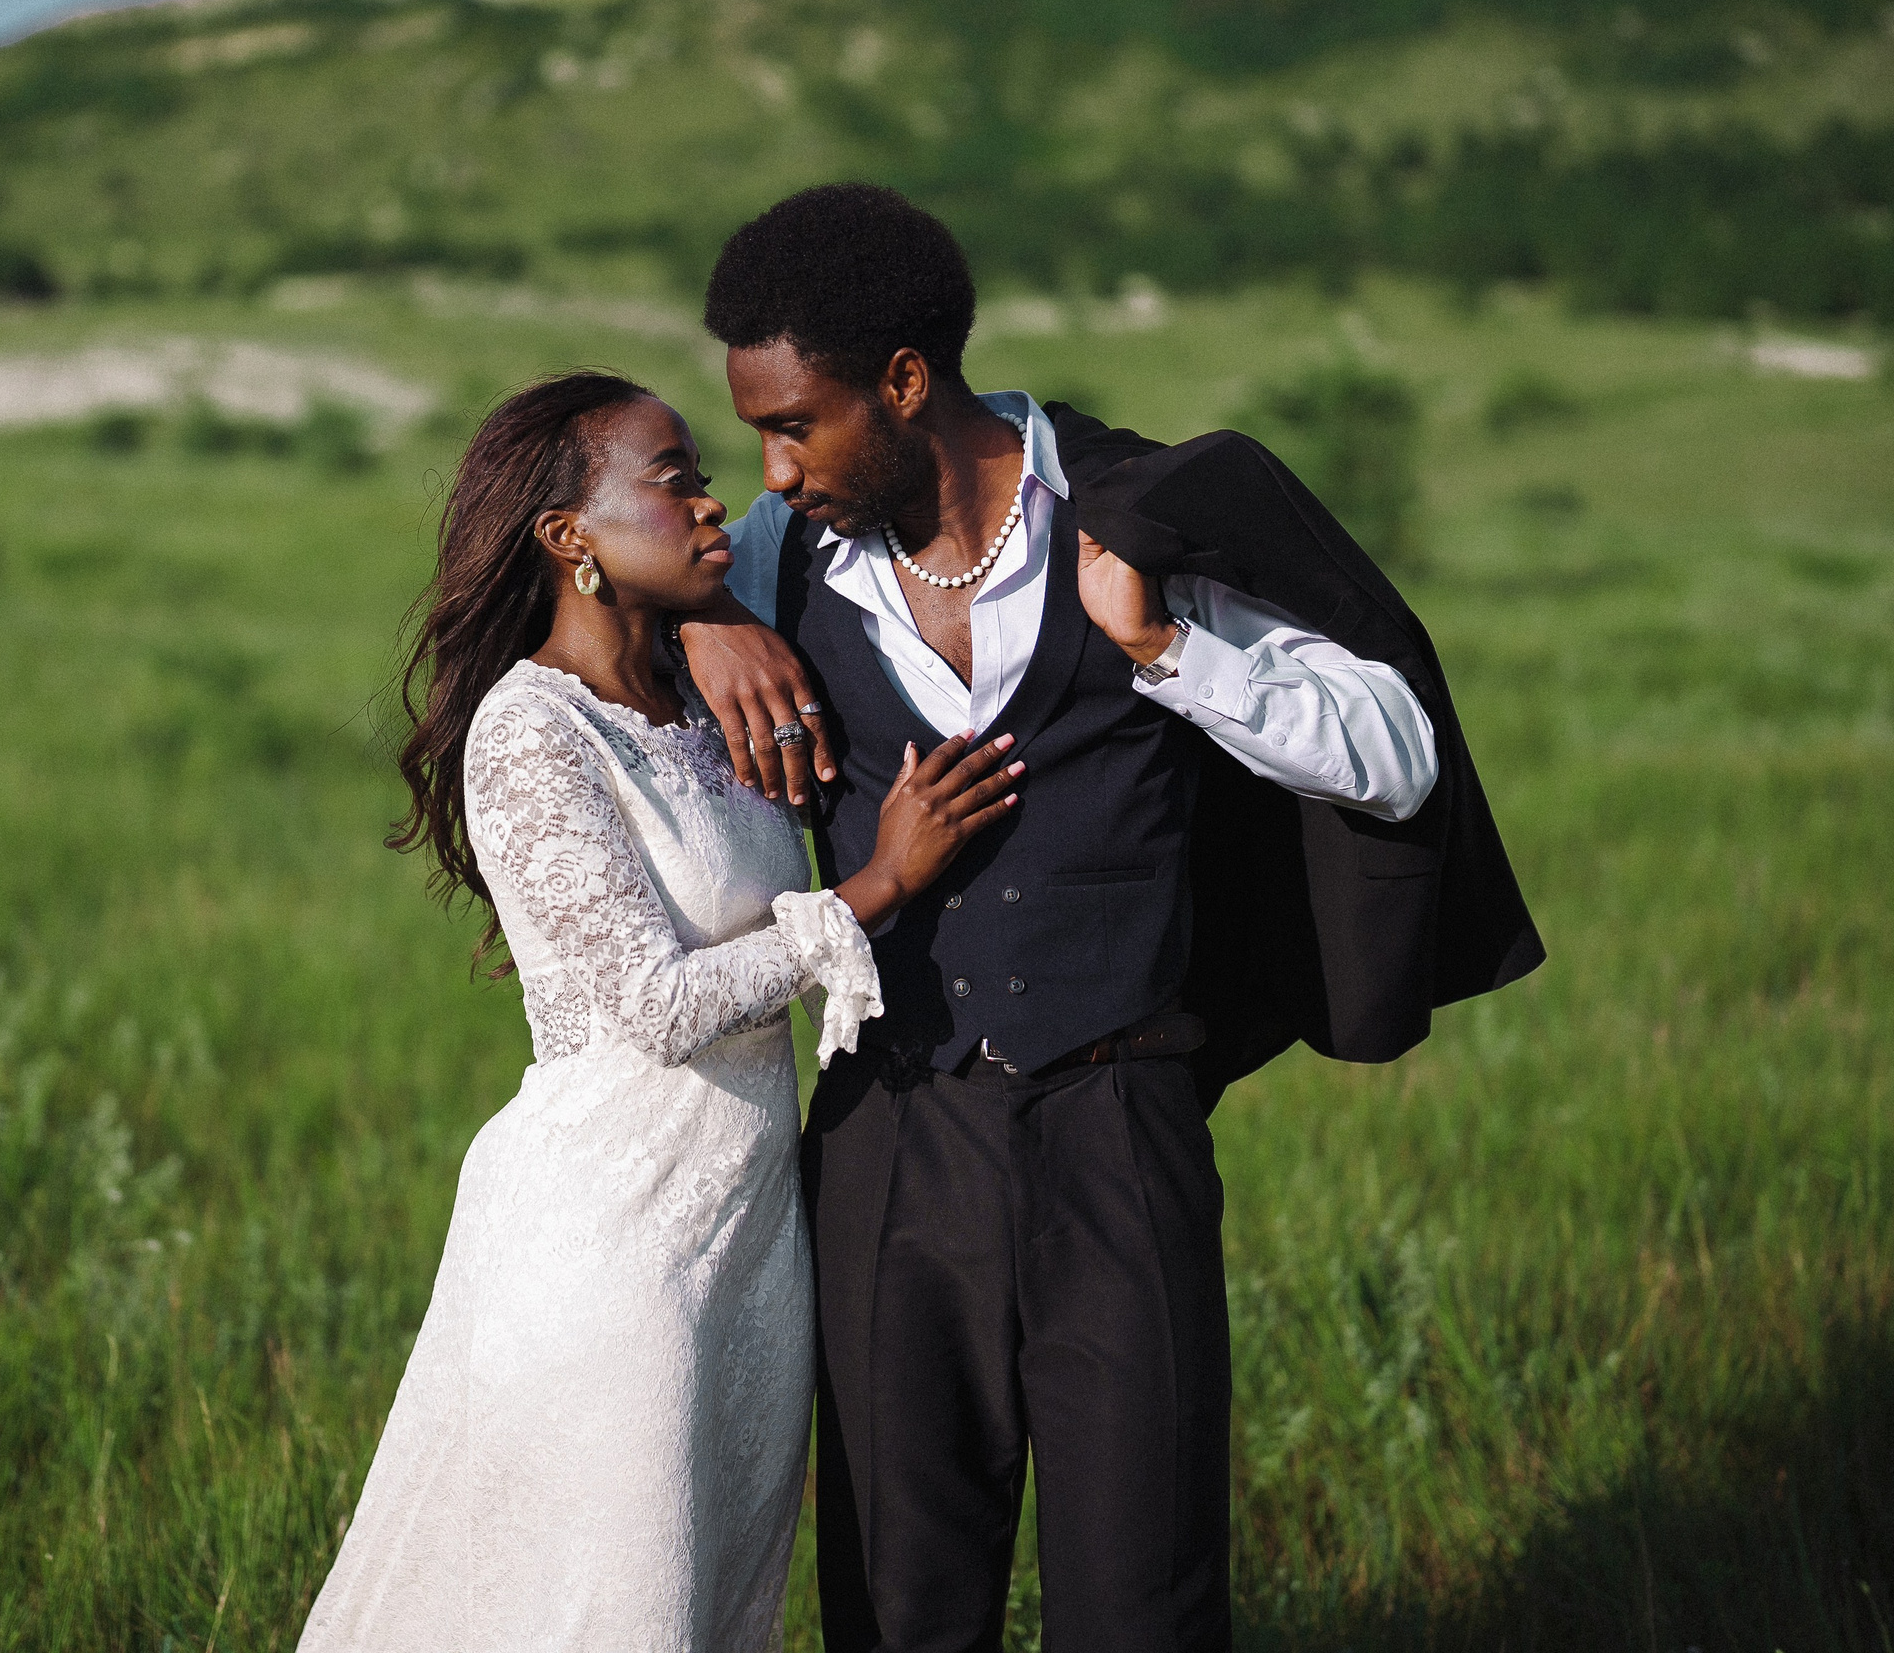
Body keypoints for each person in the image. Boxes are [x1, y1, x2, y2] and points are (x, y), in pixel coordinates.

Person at [672, 185, 1541, 1652]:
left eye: (795, 425)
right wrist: (701, 620)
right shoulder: (772, 557)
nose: (770, 467)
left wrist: (1166, 648)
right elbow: (568, 618)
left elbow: (1396, 752)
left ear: (903, 383)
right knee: (898, 1606)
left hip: (1120, 1125)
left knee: (1145, 1602)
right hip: (890, 1136)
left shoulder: (1144, 511)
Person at [298, 370, 1025, 1653]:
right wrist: (875, 885)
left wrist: (714, 618)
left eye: (705, 476)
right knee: (606, 1611)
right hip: (606, 1240)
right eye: (675, 481)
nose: (715, 504)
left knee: (712, 1604)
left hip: (747, 1242)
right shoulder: (529, 734)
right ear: (568, 538)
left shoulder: (704, 701)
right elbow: (653, 1006)